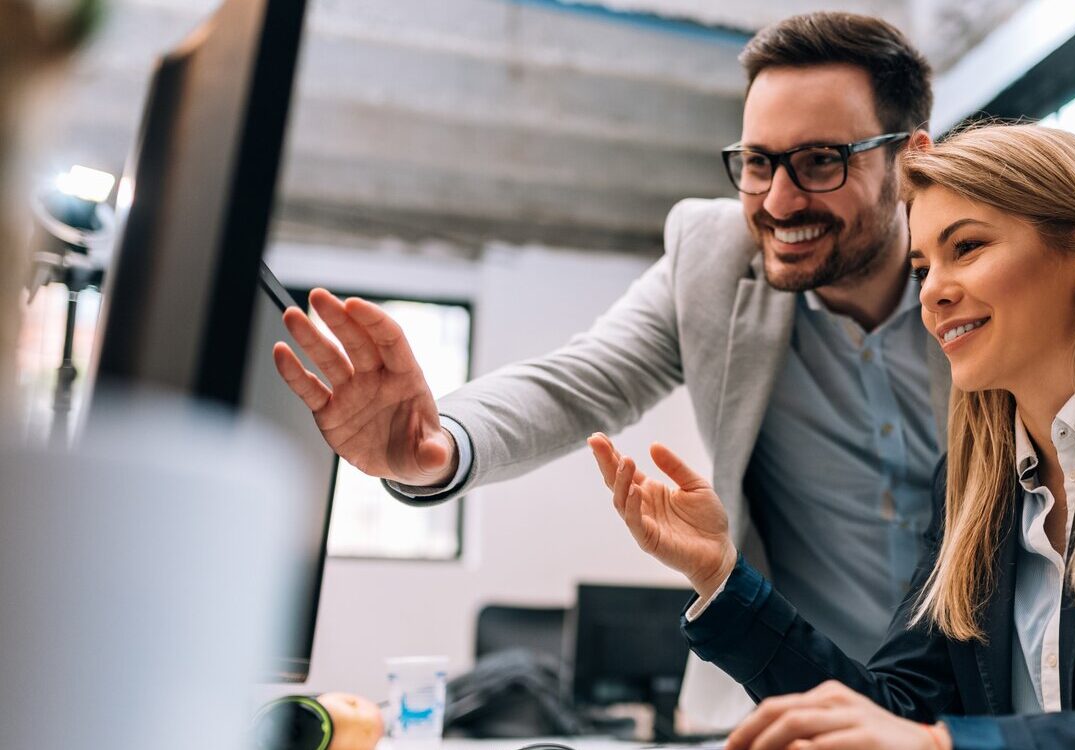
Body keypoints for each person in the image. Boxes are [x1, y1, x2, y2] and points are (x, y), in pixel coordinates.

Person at [585, 123, 1075, 749]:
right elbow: (891, 711)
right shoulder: (975, 480)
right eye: (924, 265)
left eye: (968, 247)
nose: (934, 291)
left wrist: (950, 747)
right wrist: (722, 577)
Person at [271, 12, 949, 718]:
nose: (778, 200)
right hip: (792, 702)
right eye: (757, 162)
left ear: (910, 160)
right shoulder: (713, 258)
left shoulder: (987, 274)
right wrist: (440, 443)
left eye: (820, 162)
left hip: (985, 701)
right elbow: (579, 382)